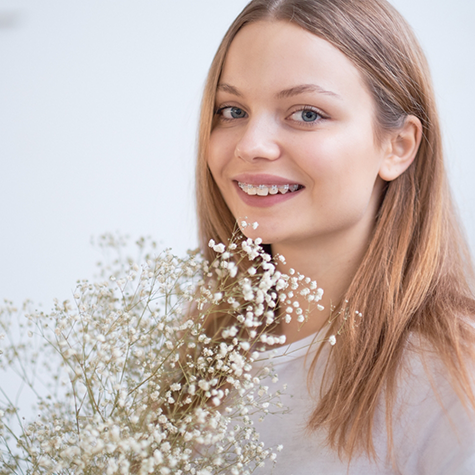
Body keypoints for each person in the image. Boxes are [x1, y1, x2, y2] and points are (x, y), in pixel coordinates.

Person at [195, 0, 475, 472]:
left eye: (306, 114)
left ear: (397, 146)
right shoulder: (198, 354)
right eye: (232, 110)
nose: (250, 145)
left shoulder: (451, 377)